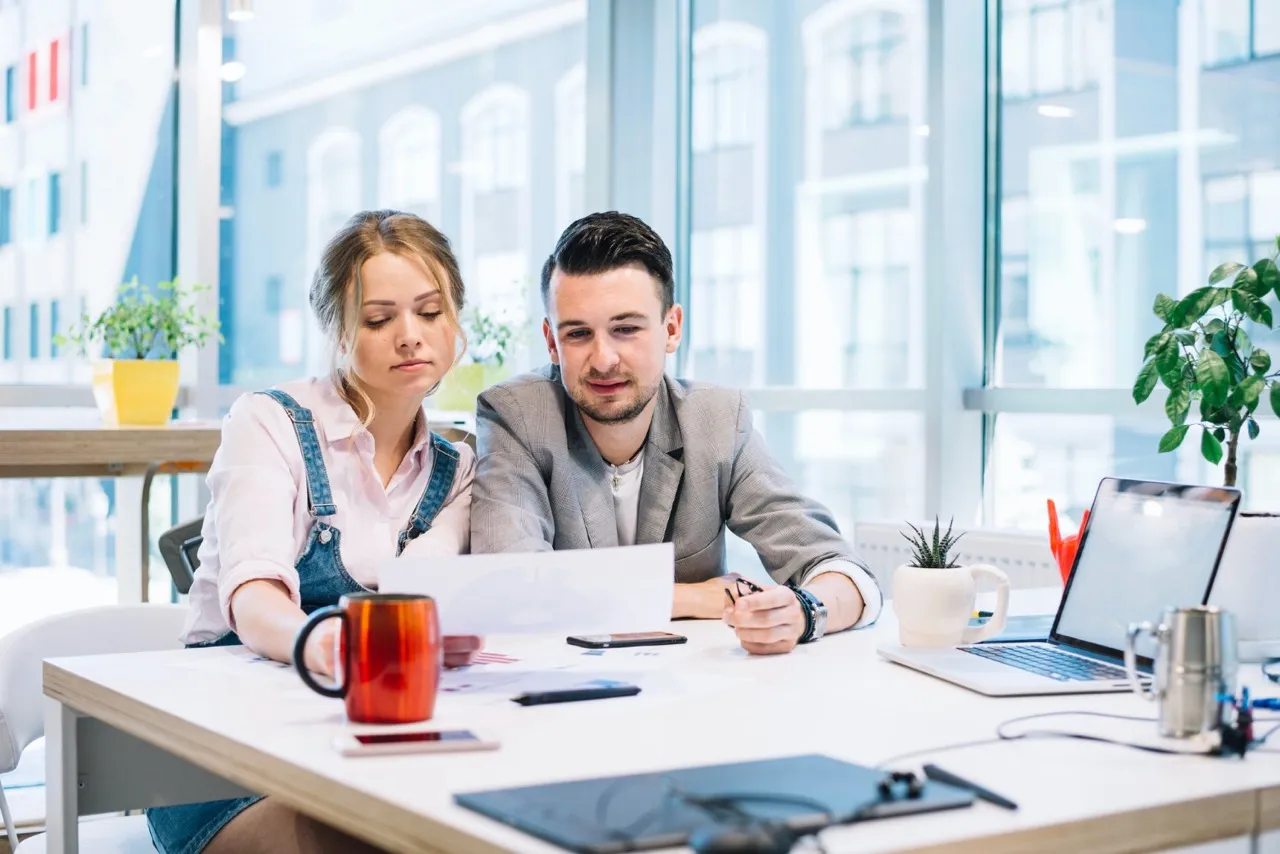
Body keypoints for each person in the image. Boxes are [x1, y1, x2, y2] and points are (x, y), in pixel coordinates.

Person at [146, 210, 480, 854]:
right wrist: (325, 644)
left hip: (368, 745)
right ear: (336, 331)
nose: (411, 337)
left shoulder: (459, 468)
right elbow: (254, 599)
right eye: (379, 319)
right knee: (381, 838)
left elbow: (423, 591)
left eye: (431, 312)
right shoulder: (268, 423)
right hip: (229, 758)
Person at [471, 211, 882, 656]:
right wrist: (690, 597)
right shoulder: (516, 415)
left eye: (626, 329)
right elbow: (507, 587)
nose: (604, 358)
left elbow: (843, 570)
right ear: (552, 342)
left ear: (671, 328)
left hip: (692, 692)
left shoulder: (718, 420)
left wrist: (804, 612)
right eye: (578, 334)